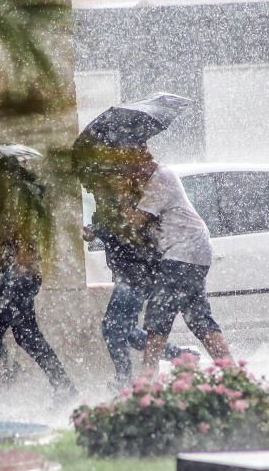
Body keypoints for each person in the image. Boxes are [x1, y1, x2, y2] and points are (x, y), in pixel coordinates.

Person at [0, 145, 78, 409]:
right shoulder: (7, 196)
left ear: (6, 171)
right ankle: (64, 386)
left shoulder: (19, 196)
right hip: (17, 275)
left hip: (21, 275)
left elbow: (7, 234)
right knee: (24, 335)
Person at [76, 145, 190, 387]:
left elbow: (131, 230)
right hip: (126, 272)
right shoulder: (106, 199)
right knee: (126, 330)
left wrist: (101, 229)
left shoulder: (127, 194)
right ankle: (179, 355)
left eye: (89, 179)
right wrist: (94, 231)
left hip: (138, 272)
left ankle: (124, 380)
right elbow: (113, 230)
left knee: (112, 328)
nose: (87, 186)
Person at [119, 145, 232, 375]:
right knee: (198, 317)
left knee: (159, 315)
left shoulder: (160, 178)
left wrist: (121, 198)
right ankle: (234, 374)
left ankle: (147, 381)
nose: (129, 172)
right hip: (191, 251)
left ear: (141, 159)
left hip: (183, 251)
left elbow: (135, 222)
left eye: (130, 166)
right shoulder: (154, 179)